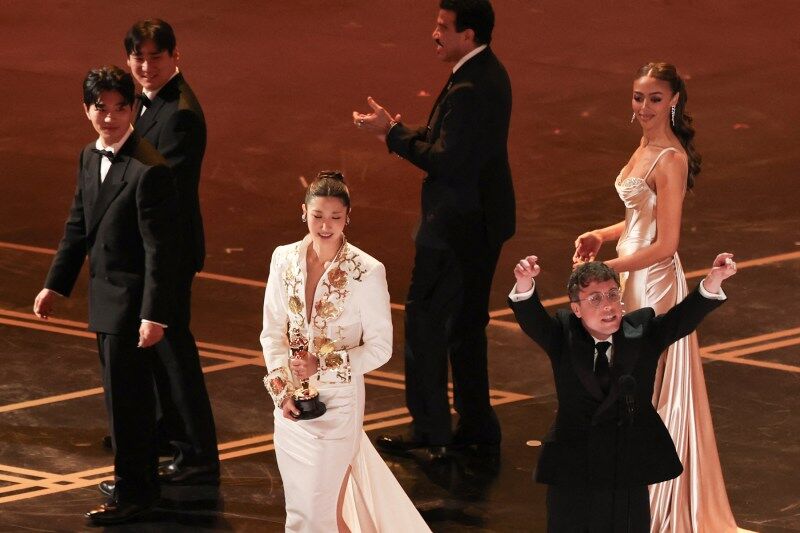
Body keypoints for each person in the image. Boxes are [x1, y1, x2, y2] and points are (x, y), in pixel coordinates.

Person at [573, 62, 737, 531]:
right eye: (638, 97)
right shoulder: (645, 147)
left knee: (647, 383)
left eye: (655, 99)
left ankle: (655, 502)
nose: (644, 107)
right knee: (626, 380)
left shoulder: (670, 159)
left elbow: (666, 243)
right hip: (631, 273)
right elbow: (638, 218)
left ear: (675, 100)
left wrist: (608, 270)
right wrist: (602, 235)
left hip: (651, 282)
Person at [352, 0, 514, 456]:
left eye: (443, 26)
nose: (435, 33)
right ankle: (478, 423)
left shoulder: (470, 86)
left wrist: (392, 136)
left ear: (468, 34)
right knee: (465, 326)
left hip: (455, 231)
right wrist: (395, 129)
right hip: (482, 223)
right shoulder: (487, 71)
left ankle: (429, 430)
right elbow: (450, 140)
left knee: (425, 325)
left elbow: (446, 159)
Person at [33, 66, 177, 524]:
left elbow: (160, 251)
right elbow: (79, 223)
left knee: (129, 406)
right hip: (105, 299)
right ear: (87, 110)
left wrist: (153, 315)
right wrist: (55, 283)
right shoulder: (88, 155)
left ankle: (135, 494)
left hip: (130, 305)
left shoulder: (148, 168)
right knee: (122, 402)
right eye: (101, 107)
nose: (110, 117)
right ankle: (136, 482)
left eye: (119, 108)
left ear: (132, 109)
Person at [508, 252, 737, 532]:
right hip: (573, 464)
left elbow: (683, 318)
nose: (607, 306)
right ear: (576, 309)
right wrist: (524, 282)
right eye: (595, 298)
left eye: (612, 295)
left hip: (626, 464)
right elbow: (531, 317)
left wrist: (714, 279)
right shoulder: (563, 335)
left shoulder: (641, 331)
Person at [260, 171, 431, 532]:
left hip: (338, 408)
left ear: (347, 217)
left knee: (317, 517)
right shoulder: (283, 258)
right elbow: (272, 331)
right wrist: (281, 391)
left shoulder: (366, 271)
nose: (325, 225)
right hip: (290, 408)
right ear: (303, 212)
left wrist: (321, 364)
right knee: (301, 515)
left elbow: (380, 348)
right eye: (317, 215)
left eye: (335, 217)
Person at [101, 18, 218, 490]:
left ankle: (197, 457)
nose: (146, 66)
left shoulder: (180, 113)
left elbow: (162, 190)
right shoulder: (145, 103)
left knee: (173, 355)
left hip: (168, 252)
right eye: (138, 57)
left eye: (156, 56)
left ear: (175, 56)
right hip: (149, 251)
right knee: (157, 353)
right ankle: (165, 438)